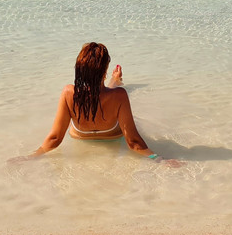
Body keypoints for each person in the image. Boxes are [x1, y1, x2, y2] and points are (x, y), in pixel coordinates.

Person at [12, 42, 180, 166]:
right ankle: (114, 81)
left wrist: (31, 157)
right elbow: (133, 142)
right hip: (113, 137)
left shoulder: (68, 93)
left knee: (106, 92)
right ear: (105, 70)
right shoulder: (119, 96)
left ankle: (114, 80)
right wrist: (159, 159)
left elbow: (55, 138)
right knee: (110, 93)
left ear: (79, 70)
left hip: (81, 138)